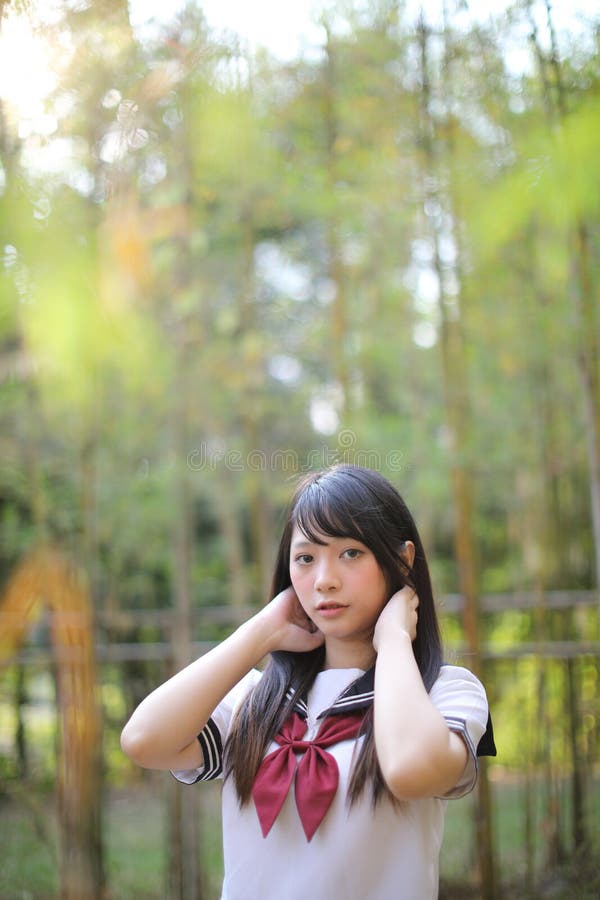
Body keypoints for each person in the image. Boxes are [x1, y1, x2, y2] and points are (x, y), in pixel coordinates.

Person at [121, 464, 495, 900]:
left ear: (402, 560)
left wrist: (393, 639)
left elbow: (411, 770)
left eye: (350, 553)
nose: (324, 580)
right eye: (305, 558)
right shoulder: (252, 700)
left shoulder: (444, 692)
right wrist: (261, 631)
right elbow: (143, 740)